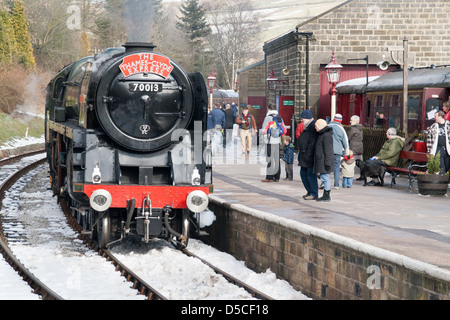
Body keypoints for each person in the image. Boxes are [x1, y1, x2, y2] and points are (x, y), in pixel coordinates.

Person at [261, 104, 287, 182]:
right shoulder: (279, 118)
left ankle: (269, 177)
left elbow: (264, 130)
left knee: (270, 158)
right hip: (277, 141)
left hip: (269, 141)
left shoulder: (268, 118)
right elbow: (284, 130)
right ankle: (277, 177)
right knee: (276, 159)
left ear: (268, 109)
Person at [297, 109, 319, 199]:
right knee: (303, 174)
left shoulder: (313, 127)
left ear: (307, 118)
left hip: (309, 156)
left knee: (310, 175)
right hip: (305, 155)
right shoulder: (308, 126)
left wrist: (307, 154)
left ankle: (313, 193)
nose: (302, 121)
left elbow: (312, 143)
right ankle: (309, 191)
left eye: (303, 119)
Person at [314, 119, 334, 202]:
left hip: (324, 160)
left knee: (325, 178)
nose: (315, 128)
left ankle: (326, 195)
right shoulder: (322, 134)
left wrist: (327, 162)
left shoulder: (326, 135)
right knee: (324, 177)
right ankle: (326, 195)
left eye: (316, 126)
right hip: (322, 160)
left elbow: (328, 150)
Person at [327, 113, 349, 189]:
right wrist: (347, 152)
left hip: (327, 150)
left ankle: (325, 183)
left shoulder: (327, 127)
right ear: (340, 121)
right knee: (336, 167)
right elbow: (345, 142)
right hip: (337, 151)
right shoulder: (341, 129)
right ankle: (336, 185)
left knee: (326, 166)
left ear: (333, 119)